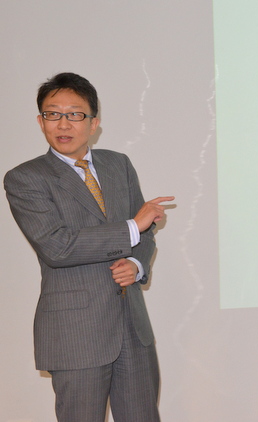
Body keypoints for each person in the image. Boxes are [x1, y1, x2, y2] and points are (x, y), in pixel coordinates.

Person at [3, 72, 174, 422]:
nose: (63, 124)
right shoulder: (25, 178)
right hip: (76, 334)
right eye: (53, 114)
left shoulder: (118, 165)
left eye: (75, 114)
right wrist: (132, 226)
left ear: (94, 123)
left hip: (132, 330)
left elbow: (146, 234)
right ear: (40, 121)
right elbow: (58, 247)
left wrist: (137, 265)